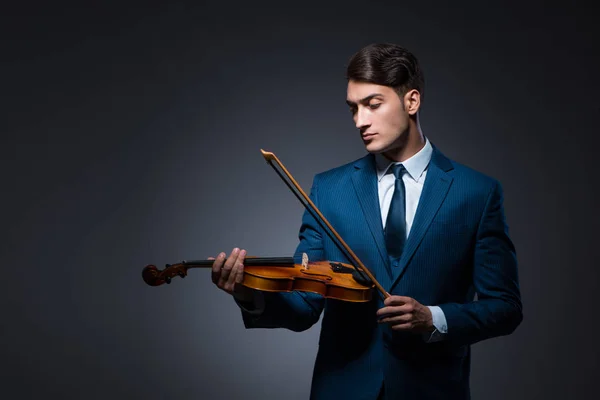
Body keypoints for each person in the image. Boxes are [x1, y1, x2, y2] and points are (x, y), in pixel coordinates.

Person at [210, 43, 523, 400]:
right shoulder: (328, 189)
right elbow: (303, 309)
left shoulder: (477, 193)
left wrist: (434, 318)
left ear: (412, 102)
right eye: (353, 109)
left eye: (373, 104)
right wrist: (247, 292)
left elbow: (506, 308)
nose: (360, 121)